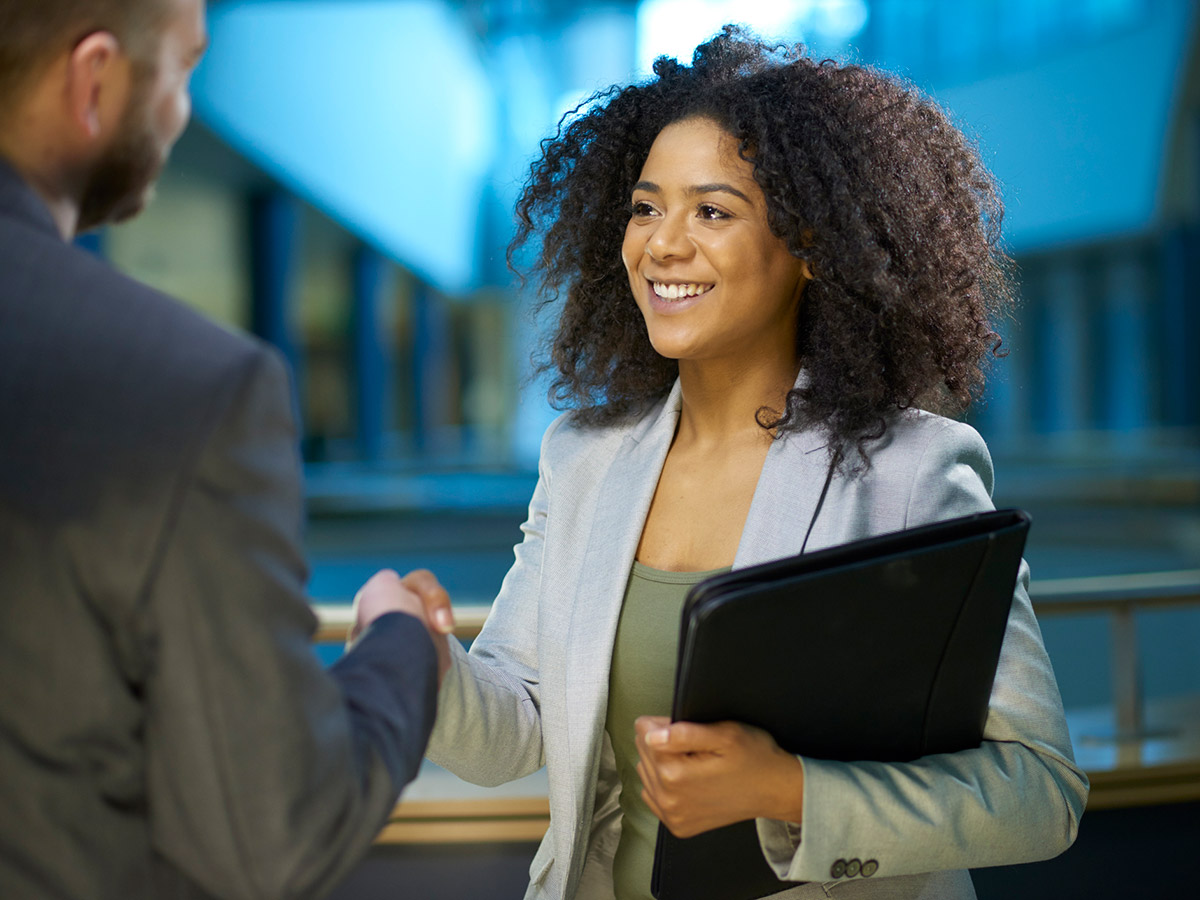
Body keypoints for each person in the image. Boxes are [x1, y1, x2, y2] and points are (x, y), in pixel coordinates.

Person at [417, 27, 1089, 900]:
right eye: (646, 206)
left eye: (713, 211)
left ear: (809, 247)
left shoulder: (913, 472)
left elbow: (1038, 793)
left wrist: (788, 790)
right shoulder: (583, 458)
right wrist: (424, 662)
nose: (662, 245)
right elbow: (518, 725)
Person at [0, 1, 452, 897]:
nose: (181, 110)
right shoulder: (183, 387)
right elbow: (272, 834)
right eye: (180, 68)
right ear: (92, 81)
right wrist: (399, 640)